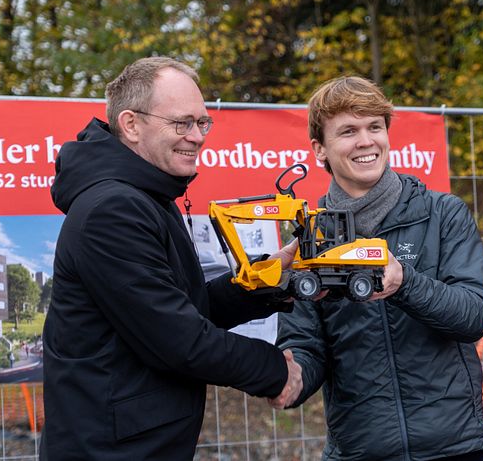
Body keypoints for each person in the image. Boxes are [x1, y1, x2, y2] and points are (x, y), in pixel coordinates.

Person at [41, 57, 302, 460]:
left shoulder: (146, 196)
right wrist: (273, 371)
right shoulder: (112, 210)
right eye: (182, 123)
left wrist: (267, 282)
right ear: (130, 125)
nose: (197, 137)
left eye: (202, 123)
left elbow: (185, 307)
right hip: (111, 451)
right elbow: (179, 340)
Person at [275, 77, 483, 460]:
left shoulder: (443, 214)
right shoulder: (311, 236)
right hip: (362, 451)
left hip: (453, 447)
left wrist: (404, 283)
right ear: (319, 150)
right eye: (348, 131)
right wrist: (287, 379)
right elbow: (306, 347)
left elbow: (475, 315)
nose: (366, 141)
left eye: (374, 127)